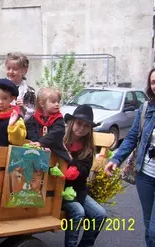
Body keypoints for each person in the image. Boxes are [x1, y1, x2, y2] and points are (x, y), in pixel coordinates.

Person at [105, 68, 155, 247]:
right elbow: (132, 137)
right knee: (148, 224)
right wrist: (115, 159)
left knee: (154, 231)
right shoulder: (145, 109)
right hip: (146, 175)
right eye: (153, 82)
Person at [63, 105, 107, 247]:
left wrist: (71, 160)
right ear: (72, 123)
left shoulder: (87, 148)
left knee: (100, 215)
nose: (81, 128)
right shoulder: (60, 140)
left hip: (78, 190)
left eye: (86, 126)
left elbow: (83, 174)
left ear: (90, 129)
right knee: (78, 212)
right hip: (59, 191)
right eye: (79, 123)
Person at [26, 87, 70, 162]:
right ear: (42, 103)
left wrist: (42, 142)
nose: (57, 104)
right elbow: (30, 131)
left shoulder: (58, 119)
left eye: (58, 102)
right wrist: (37, 143)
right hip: (37, 149)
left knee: (63, 161)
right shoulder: (34, 118)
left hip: (55, 151)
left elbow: (56, 133)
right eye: (53, 102)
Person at [5, 52, 37, 121]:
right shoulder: (0, 88)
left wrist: (23, 108)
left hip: (22, 126)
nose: (11, 71)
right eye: (8, 68)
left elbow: (32, 112)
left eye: (15, 69)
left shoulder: (29, 91)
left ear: (24, 70)